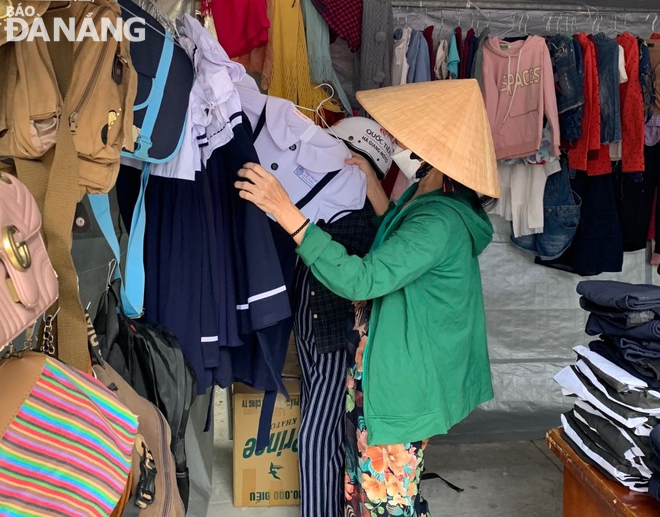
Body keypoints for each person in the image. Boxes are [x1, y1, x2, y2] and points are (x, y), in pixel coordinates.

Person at [235, 80, 500, 517]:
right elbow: (398, 242)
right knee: (368, 494)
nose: (398, 138)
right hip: (391, 368)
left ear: (432, 150)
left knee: (385, 501)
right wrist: (377, 193)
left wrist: (288, 213)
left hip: (402, 382)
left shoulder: (438, 222)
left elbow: (363, 279)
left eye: (410, 133)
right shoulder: (430, 194)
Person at [293, 116, 395, 517]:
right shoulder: (346, 214)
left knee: (323, 424)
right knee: (324, 422)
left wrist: (371, 184)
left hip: (325, 324)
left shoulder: (353, 218)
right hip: (322, 323)